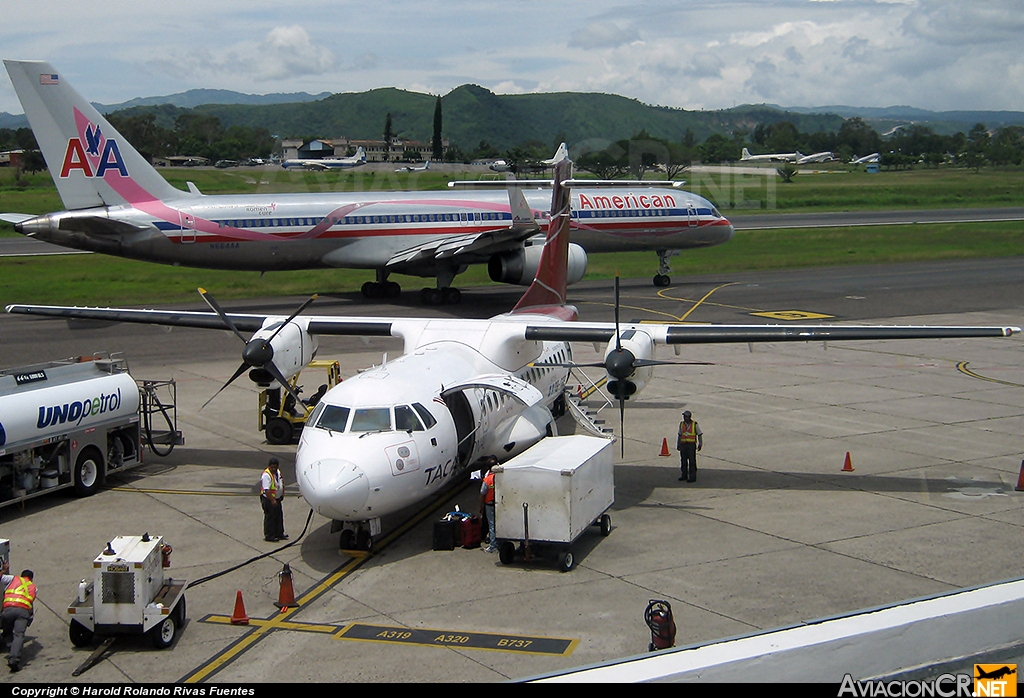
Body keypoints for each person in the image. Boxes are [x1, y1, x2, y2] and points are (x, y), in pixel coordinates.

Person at [1, 566, 35, 673]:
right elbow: (31, 605)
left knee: (7, 631)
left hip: (8, 611)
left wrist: (3, 570)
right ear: (31, 579)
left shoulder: (13, 579)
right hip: (23, 613)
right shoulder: (33, 587)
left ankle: (10, 645)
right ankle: (14, 659)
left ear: (22, 576)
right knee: (19, 635)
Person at [260, 456, 287, 542]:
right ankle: (269, 535)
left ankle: (279, 533)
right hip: (268, 499)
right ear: (269, 466)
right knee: (270, 517)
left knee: (278, 516)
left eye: (275, 467)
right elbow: (267, 490)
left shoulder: (278, 472)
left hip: (277, 498)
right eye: (272, 467)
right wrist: (272, 500)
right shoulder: (266, 475)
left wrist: (282, 493)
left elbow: (282, 482)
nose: (274, 469)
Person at [478, 457, 498, 553]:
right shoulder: (500, 477)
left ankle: (493, 545)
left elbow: (482, 494)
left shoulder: (487, 480)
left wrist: (481, 507)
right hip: (500, 504)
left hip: (490, 504)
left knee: (492, 525)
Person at [677, 410, 703, 483]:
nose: (684, 418)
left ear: (689, 417)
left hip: (691, 445)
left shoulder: (695, 424)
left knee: (692, 461)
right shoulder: (681, 424)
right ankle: (684, 475)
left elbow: (699, 434)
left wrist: (700, 443)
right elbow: (679, 434)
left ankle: (692, 476)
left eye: (686, 416)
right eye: (684, 416)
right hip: (683, 444)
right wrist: (678, 444)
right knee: (683, 461)